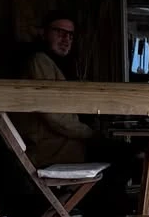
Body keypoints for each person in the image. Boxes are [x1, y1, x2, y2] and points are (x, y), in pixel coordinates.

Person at [14, 11, 96, 167]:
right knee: (125, 153)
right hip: (49, 149)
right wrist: (90, 133)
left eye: (70, 35)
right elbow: (55, 116)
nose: (66, 40)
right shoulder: (39, 61)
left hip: (62, 143)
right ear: (44, 33)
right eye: (60, 32)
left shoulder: (58, 64)